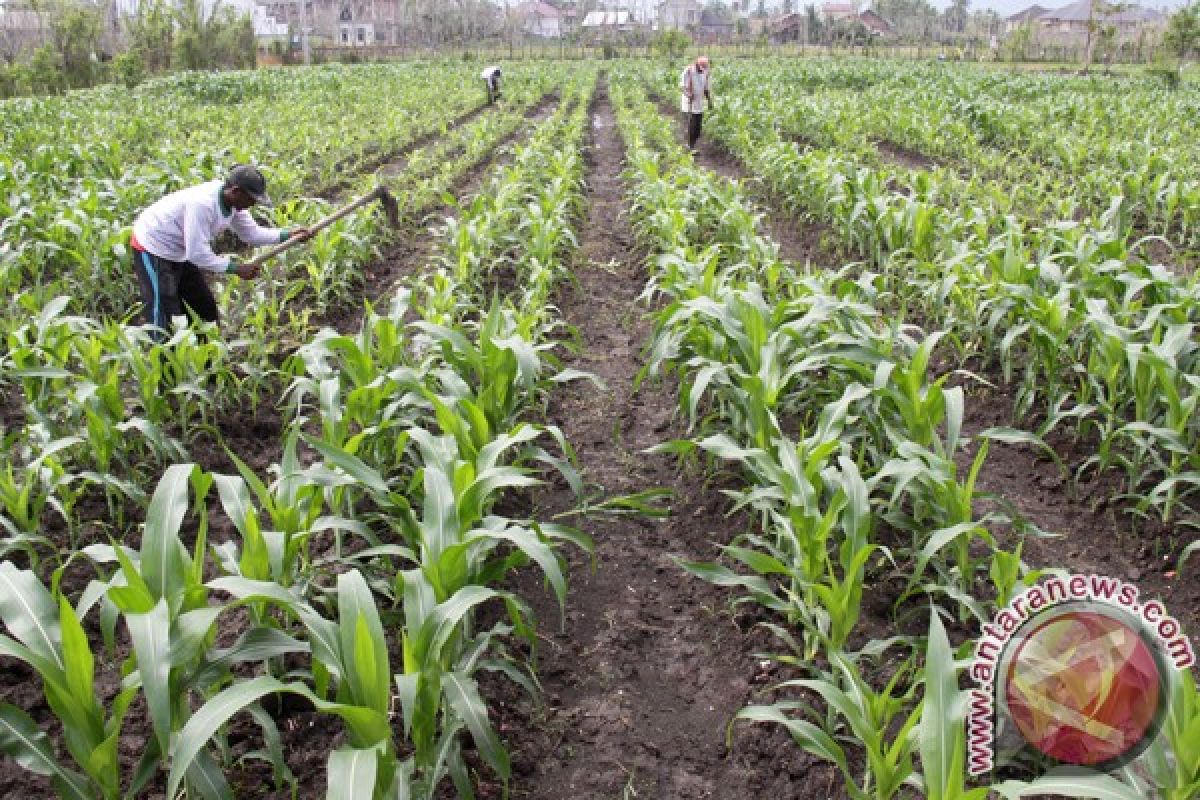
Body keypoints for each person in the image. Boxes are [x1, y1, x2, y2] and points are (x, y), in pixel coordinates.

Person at [130, 164, 310, 339]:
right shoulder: (203, 204)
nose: (252, 204)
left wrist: (288, 235)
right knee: (164, 315)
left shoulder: (234, 203)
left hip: (181, 249)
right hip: (153, 245)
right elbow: (197, 254)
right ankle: (167, 366)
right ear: (236, 191)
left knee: (204, 308)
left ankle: (206, 361)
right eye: (251, 199)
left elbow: (251, 234)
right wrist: (236, 268)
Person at [680, 55, 713, 152]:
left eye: (704, 67)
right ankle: (690, 147)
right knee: (692, 125)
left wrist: (709, 101)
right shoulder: (688, 71)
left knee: (698, 128)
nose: (702, 70)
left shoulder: (706, 72)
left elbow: (706, 89)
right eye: (701, 67)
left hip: (699, 103)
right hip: (689, 103)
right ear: (697, 64)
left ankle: (692, 144)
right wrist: (688, 95)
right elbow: (682, 86)